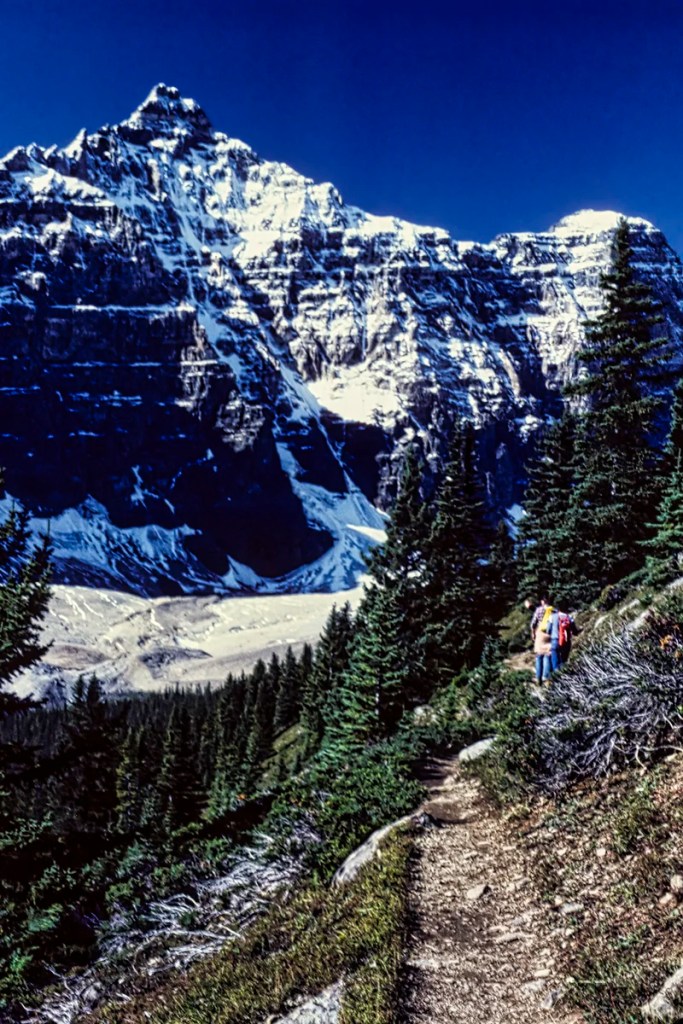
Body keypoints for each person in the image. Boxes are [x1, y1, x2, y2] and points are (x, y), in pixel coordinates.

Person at [533, 617, 552, 685]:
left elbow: (533, 624)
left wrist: (533, 633)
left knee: (539, 657)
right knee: (547, 657)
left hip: (540, 633)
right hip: (548, 633)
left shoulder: (538, 611)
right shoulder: (553, 611)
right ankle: (546, 678)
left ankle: (538, 678)